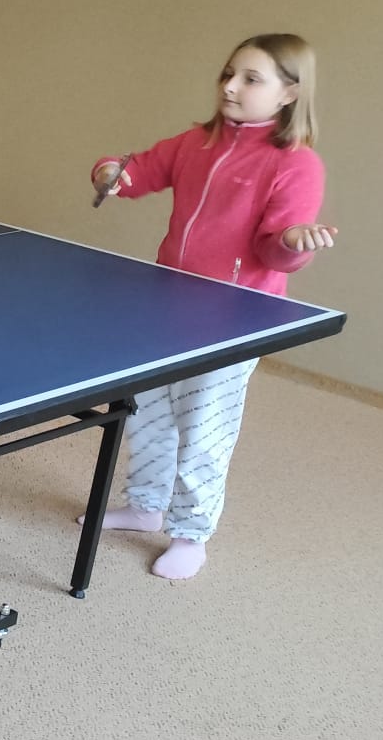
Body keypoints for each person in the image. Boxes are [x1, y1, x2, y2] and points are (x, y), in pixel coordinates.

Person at [84, 33, 336, 581]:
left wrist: (293, 243)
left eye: (251, 79)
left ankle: (191, 535)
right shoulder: (196, 143)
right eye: (228, 73)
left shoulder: (297, 164)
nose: (230, 86)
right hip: (167, 302)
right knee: (147, 414)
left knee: (202, 433)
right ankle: (145, 506)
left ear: (289, 93)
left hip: (232, 320)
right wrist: (111, 173)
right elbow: (139, 170)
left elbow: (275, 250)